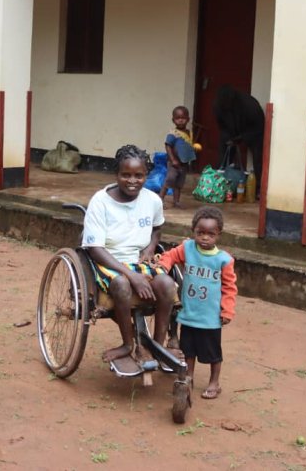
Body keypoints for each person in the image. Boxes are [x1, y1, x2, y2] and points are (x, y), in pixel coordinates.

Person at [82, 144, 180, 364]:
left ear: (147, 175)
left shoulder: (152, 200)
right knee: (121, 285)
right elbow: (94, 248)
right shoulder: (100, 202)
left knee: (166, 283)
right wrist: (131, 275)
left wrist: (150, 248)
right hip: (108, 260)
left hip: (139, 260)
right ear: (116, 174)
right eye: (126, 175)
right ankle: (128, 344)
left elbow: (157, 228)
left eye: (139, 175)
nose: (132, 181)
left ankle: (156, 344)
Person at [157, 206, 237, 399]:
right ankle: (188, 377)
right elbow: (170, 256)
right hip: (189, 314)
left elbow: (229, 287)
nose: (205, 238)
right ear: (193, 231)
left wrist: (227, 311)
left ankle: (214, 382)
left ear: (218, 234)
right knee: (188, 351)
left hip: (210, 318)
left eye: (211, 234)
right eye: (200, 233)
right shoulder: (187, 248)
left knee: (213, 354)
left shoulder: (224, 260)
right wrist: (162, 266)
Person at [213, 85, 265, 193]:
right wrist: (229, 138)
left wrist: (242, 138)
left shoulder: (250, 106)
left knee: (258, 157)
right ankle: (220, 184)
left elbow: (259, 127)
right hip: (230, 130)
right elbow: (222, 126)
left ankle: (259, 188)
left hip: (253, 130)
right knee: (224, 154)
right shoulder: (218, 106)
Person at [159, 106, 197, 209]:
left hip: (183, 163)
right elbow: (168, 146)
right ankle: (160, 200)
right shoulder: (173, 134)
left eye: (183, 118)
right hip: (173, 164)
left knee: (179, 184)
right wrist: (173, 159)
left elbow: (187, 146)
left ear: (188, 119)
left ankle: (176, 201)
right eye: (177, 118)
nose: (180, 120)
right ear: (173, 120)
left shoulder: (189, 133)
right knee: (169, 180)